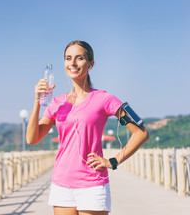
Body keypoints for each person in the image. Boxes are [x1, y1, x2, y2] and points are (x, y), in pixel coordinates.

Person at [26, 40, 149, 215]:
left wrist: (113, 161)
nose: (73, 63)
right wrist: (37, 101)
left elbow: (141, 133)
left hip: (93, 184)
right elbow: (32, 139)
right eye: (68, 58)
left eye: (80, 58)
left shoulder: (104, 99)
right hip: (62, 184)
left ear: (91, 64)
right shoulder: (56, 102)